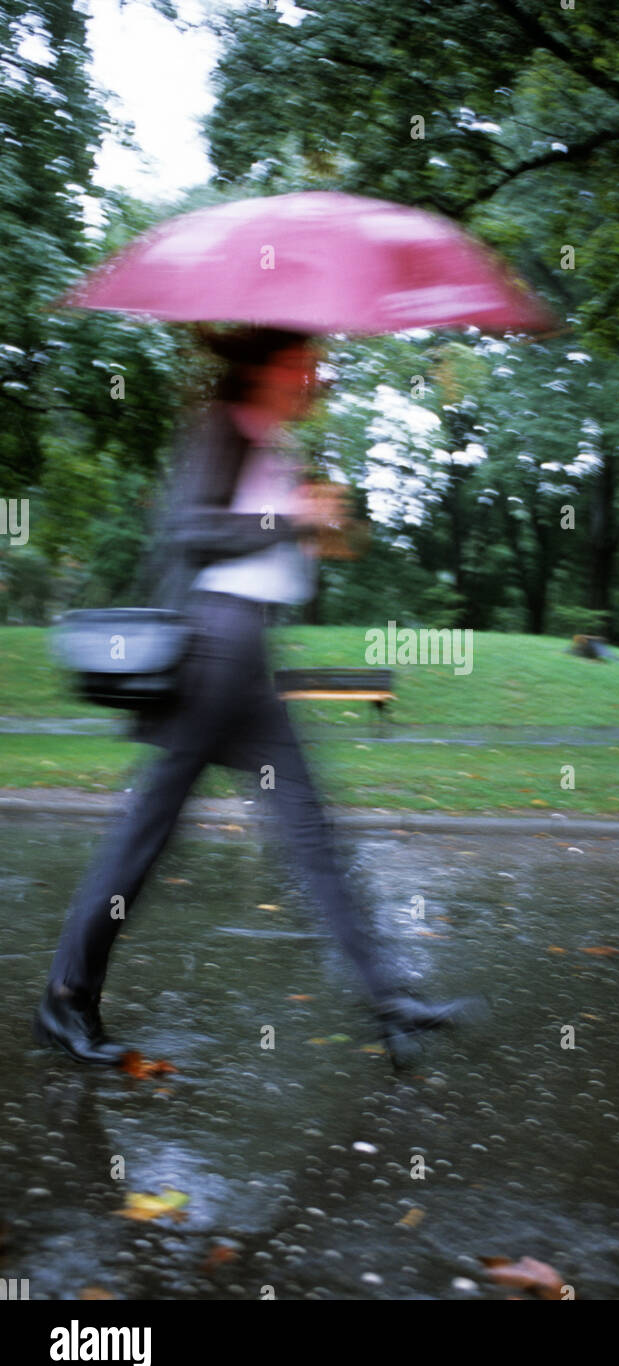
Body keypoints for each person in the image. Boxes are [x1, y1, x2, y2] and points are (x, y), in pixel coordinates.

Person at [34, 328, 467, 1066]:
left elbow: (278, 548)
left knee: (310, 831)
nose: (316, 376)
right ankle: (65, 998)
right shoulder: (221, 427)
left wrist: (325, 531)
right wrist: (293, 519)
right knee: (147, 834)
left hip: (250, 654)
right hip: (211, 648)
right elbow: (190, 530)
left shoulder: (271, 445)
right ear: (267, 367)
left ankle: (389, 1001)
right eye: (306, 363)